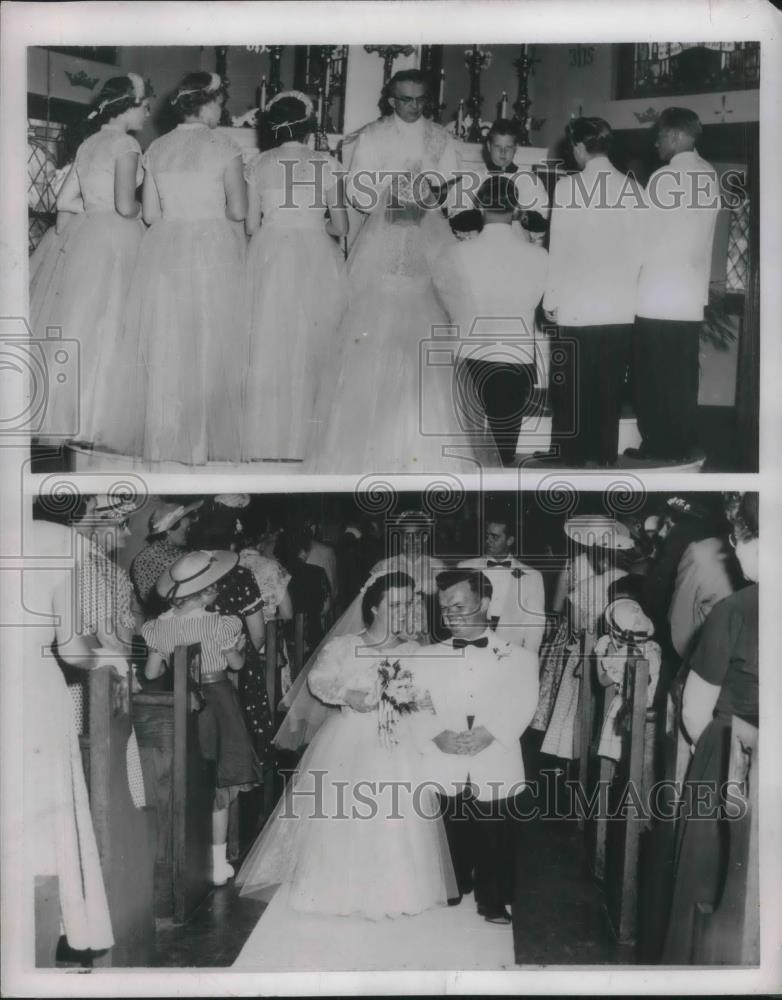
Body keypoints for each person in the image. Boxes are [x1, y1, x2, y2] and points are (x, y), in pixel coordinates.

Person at [236, 572, 458, 918]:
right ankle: (338, 887)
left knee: (397, 812)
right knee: (346, 813)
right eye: (395, 604)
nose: (403, 611)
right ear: (373, 608)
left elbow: (428, 696)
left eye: (408, 603)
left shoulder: (414, 650)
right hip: (350, 738)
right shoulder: (344, 646)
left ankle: (396, 889)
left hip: (399, 741)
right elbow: (318, 681)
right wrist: (347, 695)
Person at [307, 69, 477, 474]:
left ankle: (422, 443)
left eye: (420, 100)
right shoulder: (373, 137)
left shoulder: (441, 137)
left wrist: (430, 193)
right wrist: (396, 192)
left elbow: (452, 184)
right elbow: (358, 194)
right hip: (384, 237)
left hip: (427, 237)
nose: (413, 107)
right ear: (390, 100)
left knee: (423, 325)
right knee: (376, 327)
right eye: (405, 99)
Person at [95, 71, 248, 465]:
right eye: (219, 103)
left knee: (167, 345)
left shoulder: (157, 148)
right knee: (210, 342)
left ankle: (163, 447)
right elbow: (238, 210)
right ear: (208, 102)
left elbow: (149, 213)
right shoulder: (225, 146)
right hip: (213, 250)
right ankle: (200, 451)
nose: (221, 110)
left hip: (165, 249)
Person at [662, 492, 758, 963]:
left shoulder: (737, 610)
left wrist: (732, 754)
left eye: (740, 537)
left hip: (728, 756)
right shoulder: (706, 559)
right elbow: (682, 626)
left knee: (707, 884)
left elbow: (696, 714)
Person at [413, 569, 539, 924]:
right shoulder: (425, 657)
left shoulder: (519, 657)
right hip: (444, 750)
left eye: (459, 606)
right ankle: (451, 885)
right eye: (444, 608)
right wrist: (436, 734)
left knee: (494, 825)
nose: (451, 615)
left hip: (494, 750)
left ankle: (493, 899)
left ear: (484, 603)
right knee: (447, 817)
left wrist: (491, 732)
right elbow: (414, 703)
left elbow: (524, 701)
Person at [31, 73, 151, 445]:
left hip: (89, 234)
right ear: (128, 108)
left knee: (82, 325)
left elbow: (64, 202)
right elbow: (125, 204)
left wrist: (90, 212)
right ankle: (97, 420)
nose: (146, 115)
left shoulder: (88, 144)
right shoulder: (127, 145)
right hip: (118, 236)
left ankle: (67, 415)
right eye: (144, 107)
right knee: (116, 324)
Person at [21, 516, 115, 961]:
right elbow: (74, 648)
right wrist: (109, 658)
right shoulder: (56, 540)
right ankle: (56, 925)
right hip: (29, 692)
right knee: (42, 804)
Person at [143, 550, 263, 886]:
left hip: (179, 704)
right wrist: (236, 647)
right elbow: (236, 665)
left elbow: (153, 671)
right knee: (220, 783)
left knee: (190, 775)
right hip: (218, 702)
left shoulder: (156, 627)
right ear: (207, 592)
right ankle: (216, 861)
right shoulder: (222, 623)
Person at [242, 91, 348, 462]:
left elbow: (252, 224)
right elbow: (341, 225)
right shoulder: (326, 164)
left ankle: (264, 437)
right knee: (313, 340)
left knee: (270, 339)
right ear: (309, 127)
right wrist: (313, 225)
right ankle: (309, 439)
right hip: (315, 253)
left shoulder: (259, 164)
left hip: (270, 252)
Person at [542, 117, 645, 467]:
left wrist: (550, 300)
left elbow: (560, 249)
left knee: (571, 387)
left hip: (578, 306)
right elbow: (639, 253)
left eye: (573, 146)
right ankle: (602, 456)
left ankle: (571, 456)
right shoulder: (633, 188)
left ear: (581, 147)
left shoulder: (569, 187)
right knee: (608, 387)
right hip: (618, 308)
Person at [433, 174, 549, 466]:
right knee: (504, 449)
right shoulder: (539, 255)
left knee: (466, 451)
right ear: (516, 208)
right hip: (516, 353)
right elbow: (539, 301)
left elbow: (444, 302)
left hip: (467, 353)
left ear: (481, 205)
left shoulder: (456, 252)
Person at [626, 108, 720, 464]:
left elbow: (646, 237)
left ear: (679, 137)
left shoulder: (665, 178)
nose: (657, 142)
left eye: (662, 136)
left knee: (651, 376)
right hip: (689, 295)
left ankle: (656, 445)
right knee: (681, 375)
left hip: (657, 294)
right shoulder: (709, 173)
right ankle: (680, 442)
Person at [447, 118, 550, 242]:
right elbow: (455, 220)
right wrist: (491, 215)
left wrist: (520, 215)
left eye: (508, 147)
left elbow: (542, 222)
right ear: (489, 146)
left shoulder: (530, 181)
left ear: (516, 148)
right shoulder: (471, 180)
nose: (503, 152)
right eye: (497, 147)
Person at [458, 510, 545, 652]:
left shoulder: (532, 576)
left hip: (511, 652)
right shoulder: (465, 568)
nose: (488, 541)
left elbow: (535, 625)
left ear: (510, 540)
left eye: (495, 537)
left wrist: (529, 658)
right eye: (487, 536)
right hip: (472, 648)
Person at [130, 499, 202, 616]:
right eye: (186, 529)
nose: (189, 532)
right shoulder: (152, 558)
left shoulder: (173, 552)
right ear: (168, 530)